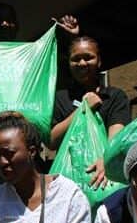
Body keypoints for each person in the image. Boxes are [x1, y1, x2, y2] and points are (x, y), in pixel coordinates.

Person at [49, 35, 131, 187]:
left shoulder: (114, 97)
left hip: (104, 176)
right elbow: (52, 141)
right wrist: (83, 109)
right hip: (68, 179)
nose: (81, 63)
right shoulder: (60, 98)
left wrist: (105, 161)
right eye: (75, 59)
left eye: (88, 58)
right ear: (69, 63)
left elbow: (116, 138)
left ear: (99, 61)